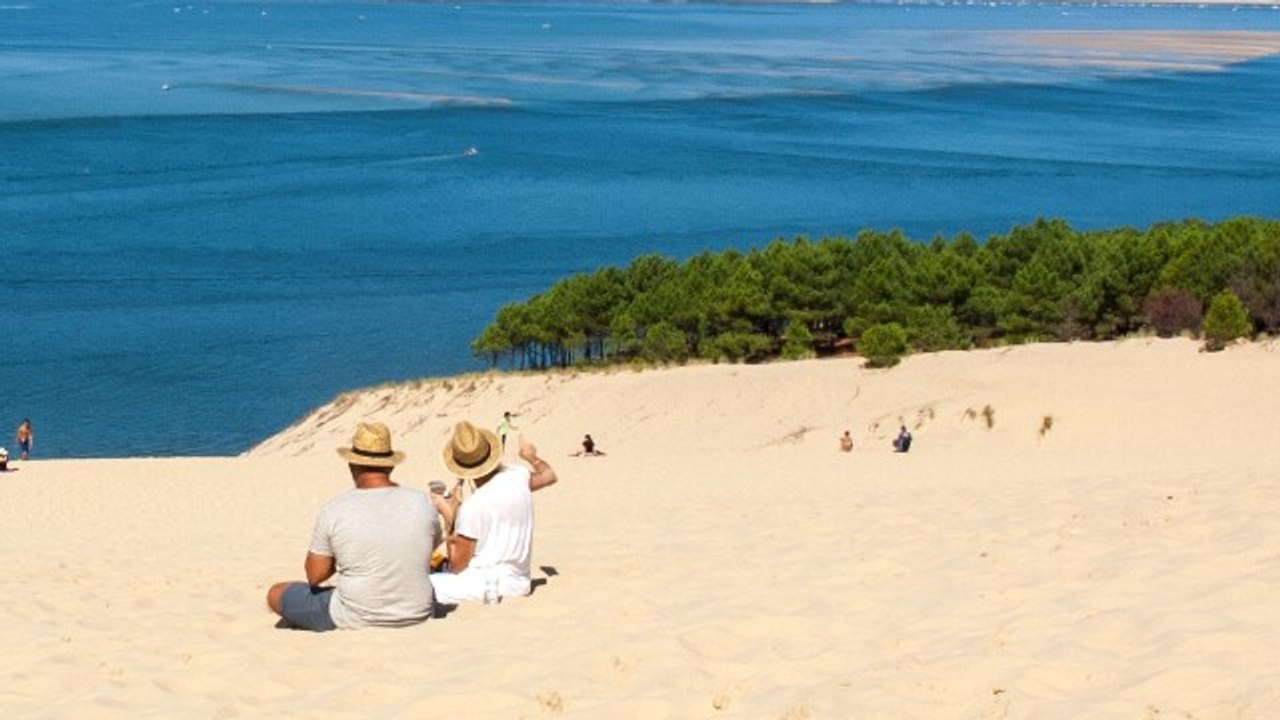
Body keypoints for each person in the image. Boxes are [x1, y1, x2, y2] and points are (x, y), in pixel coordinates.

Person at [266, 422, 440, 631]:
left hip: (353, 616)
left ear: (351, 465)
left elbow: (314, 576)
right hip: (417, 611)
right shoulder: (424, 502)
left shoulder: (335, 509)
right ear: (391, 465)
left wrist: (342, 557)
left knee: (276, 593)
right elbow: (428, 547)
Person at [430, 420, 557, 605]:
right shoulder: (517, 476)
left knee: (419, 585)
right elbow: (549, 476)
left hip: (489, 584)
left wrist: (449, 517)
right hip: (521, 579)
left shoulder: (473, 506)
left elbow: (457, 565)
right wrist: (532, 457)